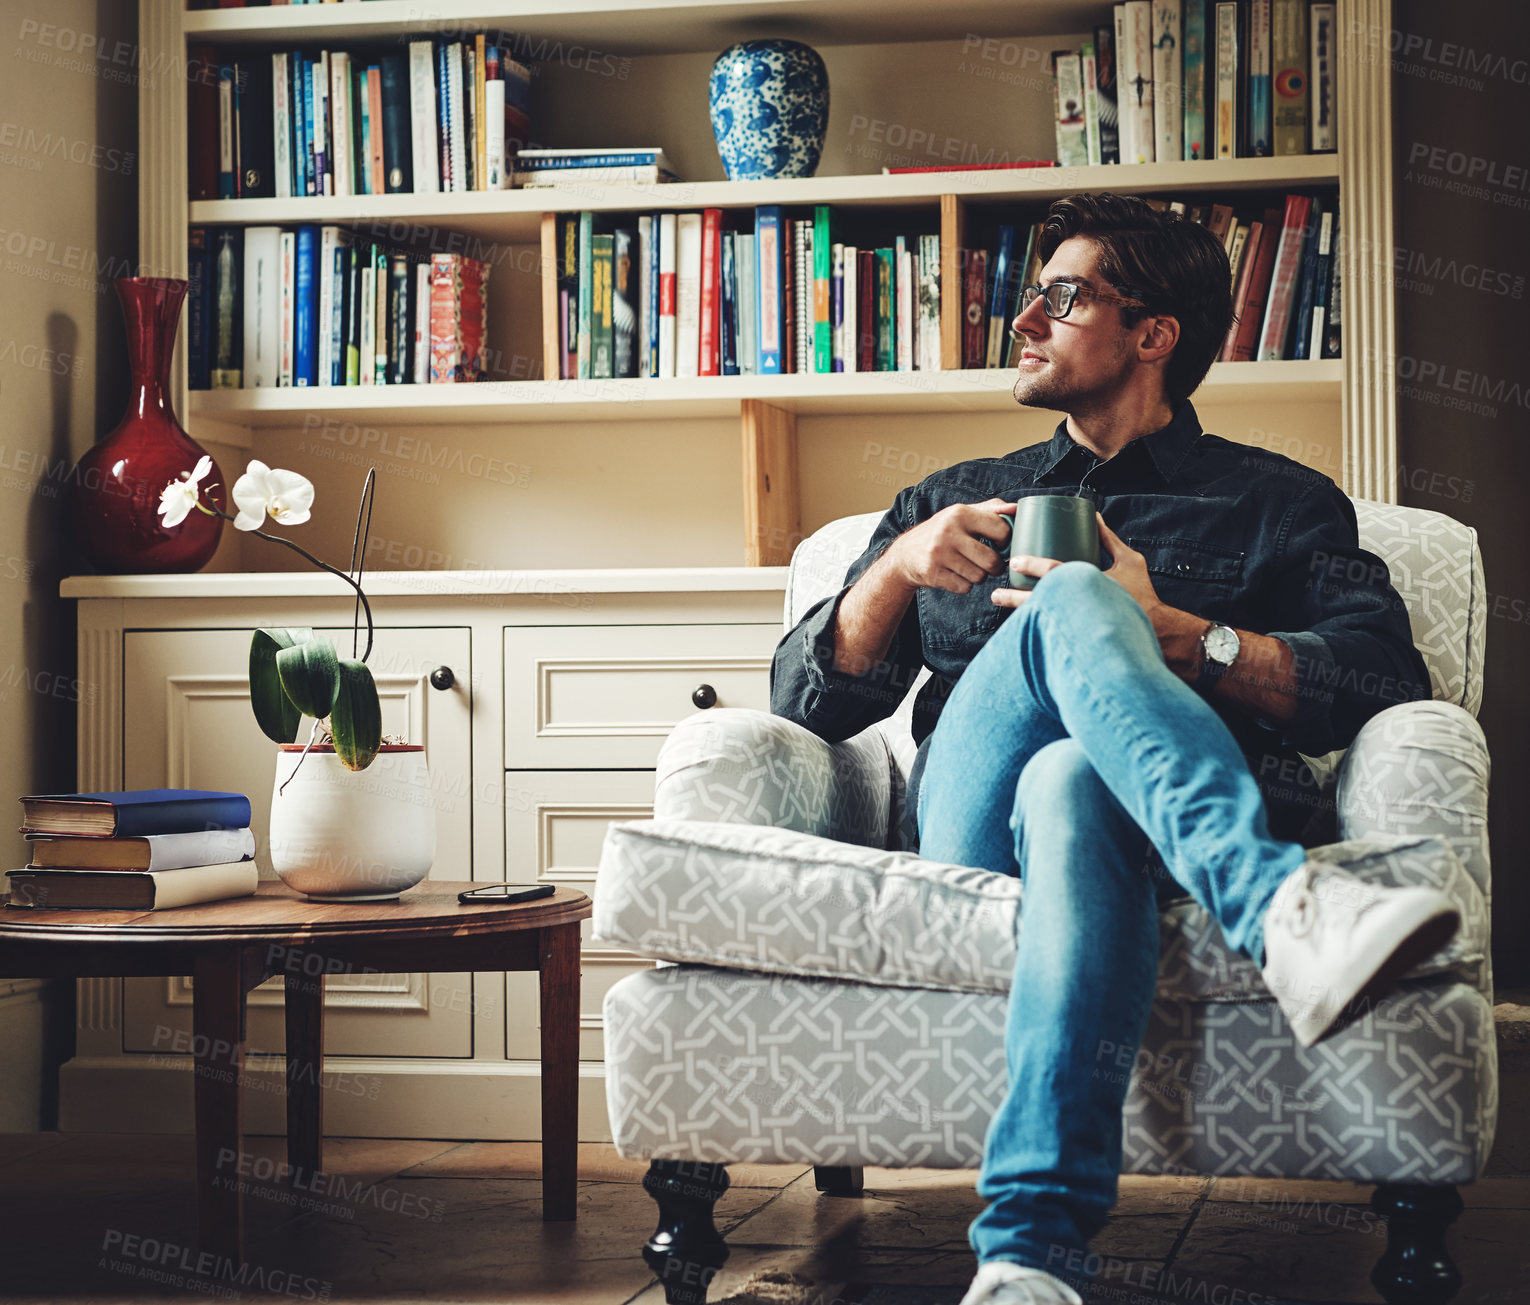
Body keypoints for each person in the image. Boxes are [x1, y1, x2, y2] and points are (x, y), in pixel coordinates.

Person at [768, 193, 1461, 1305]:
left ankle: (1028, 1260)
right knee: (1072, 607)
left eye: (1065, 296)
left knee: (1076, 779)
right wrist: (895, 568)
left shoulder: (1278, 503)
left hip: (1135, 826)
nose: (1026, 321)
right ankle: (1278, 908)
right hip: (970, 825)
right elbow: (811, 707)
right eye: (1030, 297)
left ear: (1155, 335)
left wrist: (1193, 639)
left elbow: (1378, 679)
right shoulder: (949, 502)